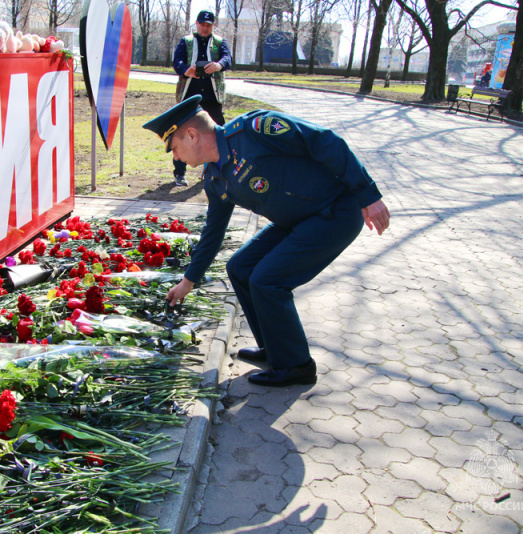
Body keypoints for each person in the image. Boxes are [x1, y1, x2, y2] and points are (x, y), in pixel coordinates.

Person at [142, 95, 391, 387]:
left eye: (174, 147)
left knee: (267, 280)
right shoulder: (214, 178)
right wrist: (189, 280)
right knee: (240, 267)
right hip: (297, 221)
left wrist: (369, 194)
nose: (175, 156)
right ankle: (275, 350)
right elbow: (214, 230)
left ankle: (296, 366)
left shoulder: (254, 130)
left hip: (336, 211)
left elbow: (325, 141)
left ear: (193, 135)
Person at [171, 10, 232, 187]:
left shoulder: (220, 42)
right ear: (196, 24)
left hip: (212, 98)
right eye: (202, 24)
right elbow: (177, 62)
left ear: (213, 26)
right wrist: (186, 71)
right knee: (181, 133)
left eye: (208, 25)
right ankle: (180, 173)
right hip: (189, 96)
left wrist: (219, 65)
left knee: (218, 134)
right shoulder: (186, 41)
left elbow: (227, 58)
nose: (205, 28)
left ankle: (215, 171)